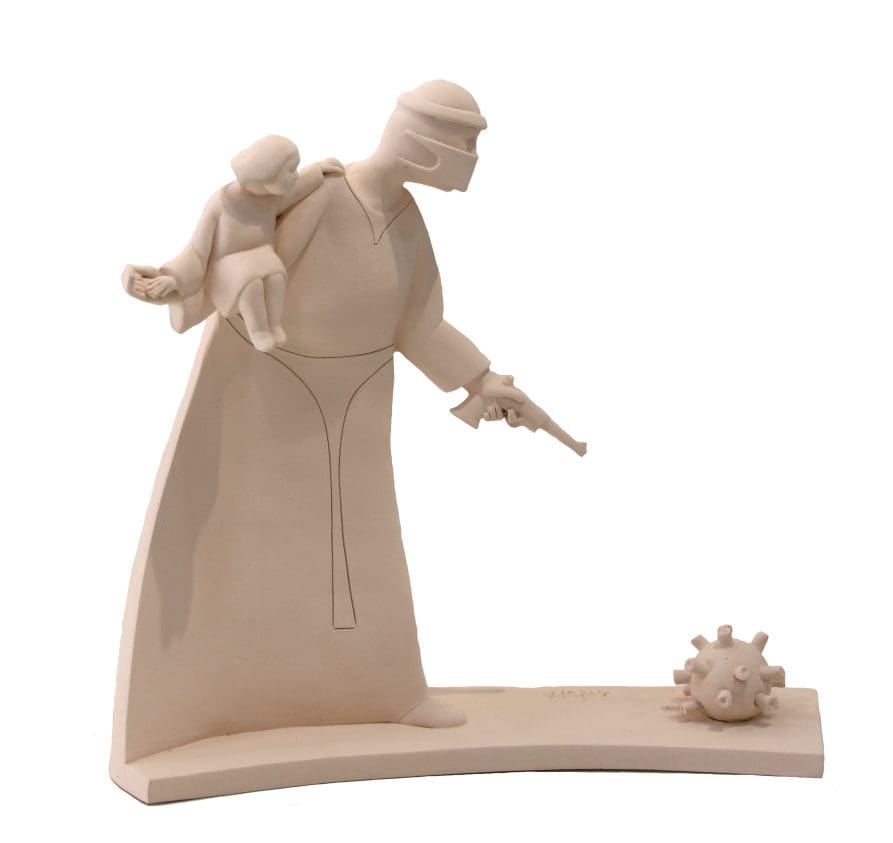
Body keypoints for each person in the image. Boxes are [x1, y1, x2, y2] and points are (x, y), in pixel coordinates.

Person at [112, 81, 530, 774]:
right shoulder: (320, 195)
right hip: (268, 387)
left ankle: (388, 691)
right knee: (244, 542)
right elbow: (228, 246)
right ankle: (218, 703)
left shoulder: (403, 217)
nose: (471, 159)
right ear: (427, 145)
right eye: (465, 142)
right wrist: (174, 280)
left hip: (359, 391)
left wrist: (479, 378)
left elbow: (418, 322)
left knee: (364, 549)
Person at [129, 135, 343, 351]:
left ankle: (274, 325)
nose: (295, 176)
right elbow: (197, 249)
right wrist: (175, 279)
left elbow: (295, 191)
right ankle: (259, 331)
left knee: (276, 276)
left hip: (261, 254)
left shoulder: (269, 198)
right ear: (267, 175)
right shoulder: (221, 203)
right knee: (251, 282)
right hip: (227, 264)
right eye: (290, 171)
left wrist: (317, 171)